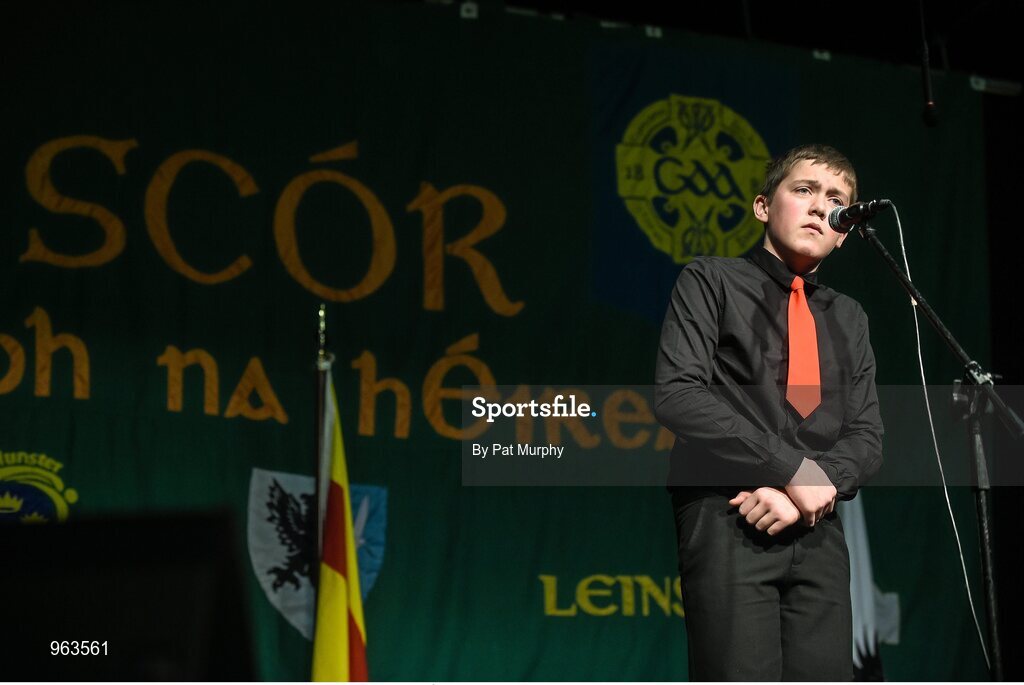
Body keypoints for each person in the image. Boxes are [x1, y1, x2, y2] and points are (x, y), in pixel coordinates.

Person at [654, 144, 884, 681]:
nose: (818, 207)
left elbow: (868, 435)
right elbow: (679, 395)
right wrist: (792, 471)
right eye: (802, 190)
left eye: (835, 200)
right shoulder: (710, 280)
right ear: (763, 206)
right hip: (730, 513)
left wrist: (814, 489)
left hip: (819, 527)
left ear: (845, 228)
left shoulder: (849, 317)